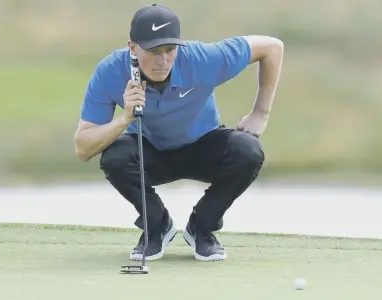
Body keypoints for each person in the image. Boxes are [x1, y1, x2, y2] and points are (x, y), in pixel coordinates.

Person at [74, 4, 283, 261]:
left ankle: (202, 227)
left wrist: (260, 112)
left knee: (247, 150)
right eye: (153, 51)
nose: (163, 61)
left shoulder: (201, 58)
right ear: (133, 48)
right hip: (149, 152)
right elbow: (83, 148)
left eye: (169, 50)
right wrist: (124, 119)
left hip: (203, 146)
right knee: (115, 156)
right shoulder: (110, 71)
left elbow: (272, 47)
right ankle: (156, 225)